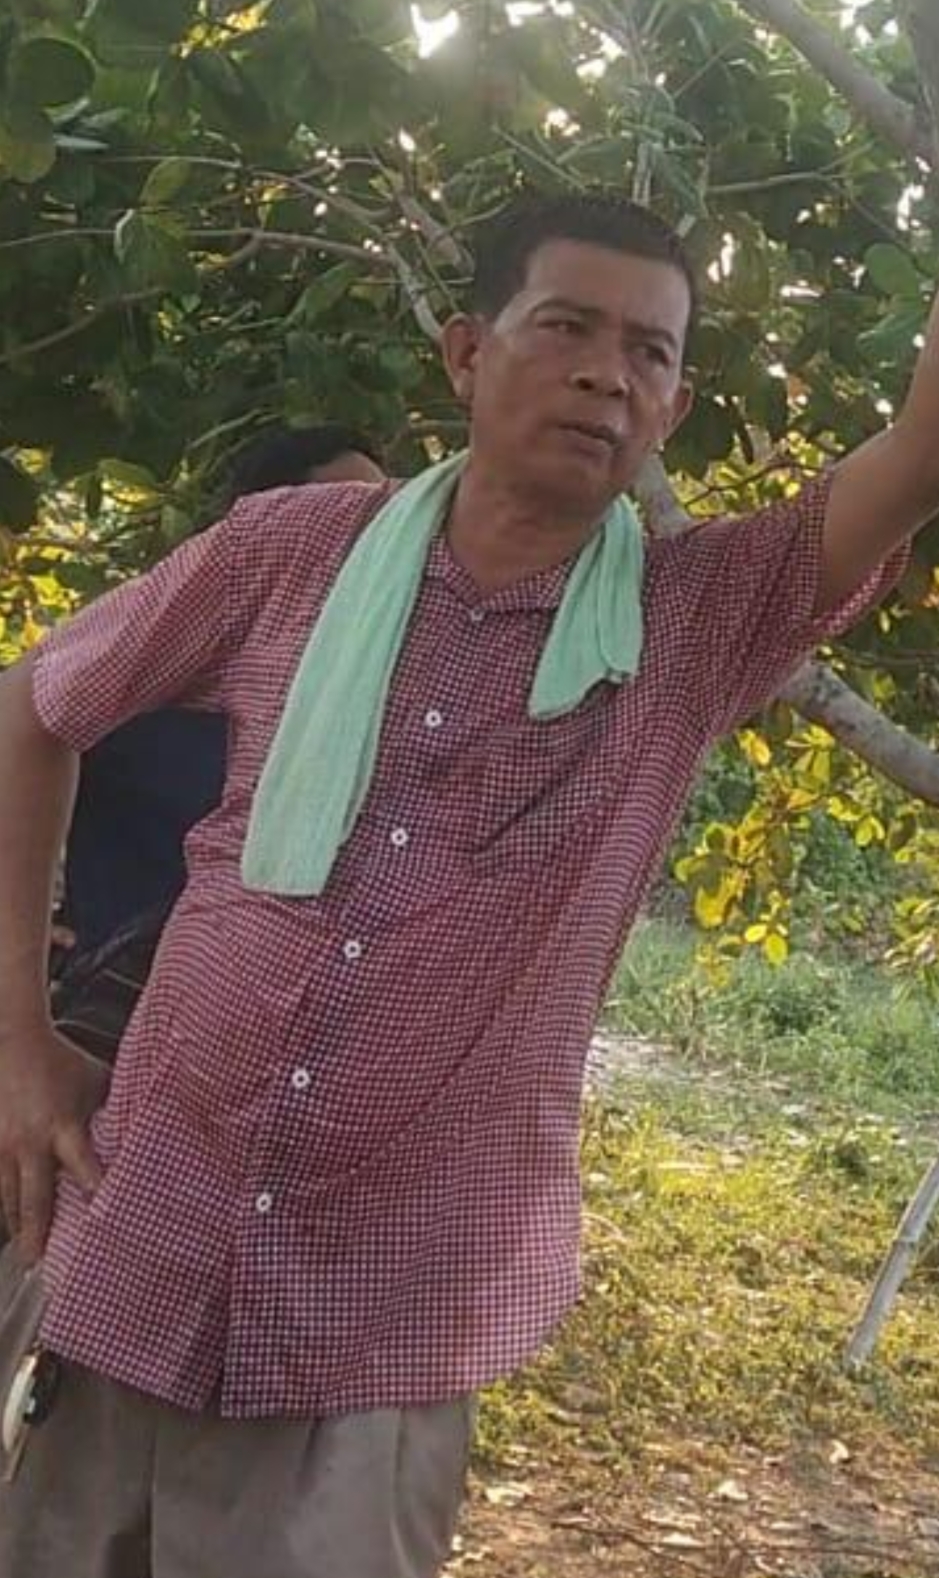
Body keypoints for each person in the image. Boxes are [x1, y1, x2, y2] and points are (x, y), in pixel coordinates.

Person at [0, 189, 937, 1578]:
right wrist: (20, 1042)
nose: (605, 374)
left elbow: (919, 448)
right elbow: (32, 709)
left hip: (372, 1325)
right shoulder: (287, 550)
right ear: (464, 352)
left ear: (673, 408)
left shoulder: (694, 618)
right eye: (565, 327)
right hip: (142, 1230)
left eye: (650, 352)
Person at [51, 424, 384, 1061]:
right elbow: (29, 724)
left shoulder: (373, 714)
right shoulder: (149, 678)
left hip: (296, 1050)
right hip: (115, 1029)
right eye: (346, 515)